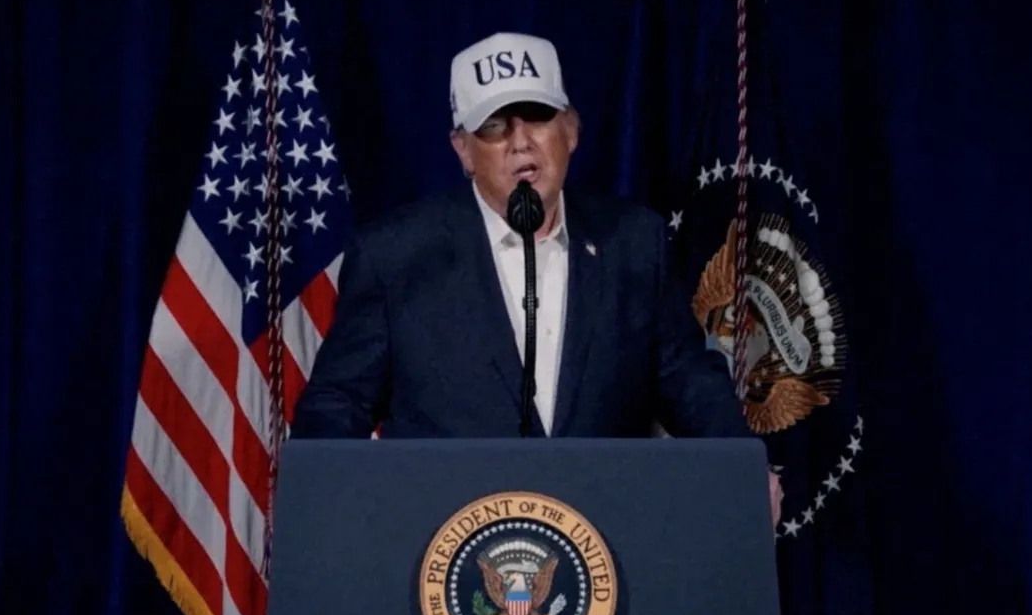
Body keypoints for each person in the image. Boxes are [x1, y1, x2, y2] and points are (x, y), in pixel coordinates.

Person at [290, 31, 781, 526]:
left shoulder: (633, 243)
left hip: (605, 534)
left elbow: (687, 380)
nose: (520, 141)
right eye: (494, 127)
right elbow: (340, 401)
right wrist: (315, 497)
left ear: (571, 131)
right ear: (463, 150)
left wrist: (740, 465)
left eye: (538, 117)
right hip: (444, 541)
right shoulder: (395, 256)